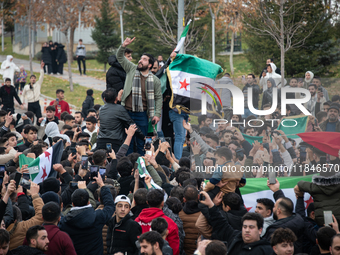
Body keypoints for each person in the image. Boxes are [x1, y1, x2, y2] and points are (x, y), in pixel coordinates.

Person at [116, 37, 162, 155]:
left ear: (150, 65)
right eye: (141, 58)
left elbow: (158, 97)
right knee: (128, 141)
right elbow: (119, 57)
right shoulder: (131, 68)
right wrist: (123, 46)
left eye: (144, 59)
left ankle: (141, 167)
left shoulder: (155, 80)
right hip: (126, 112)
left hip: (142, 114)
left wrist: (157, 114)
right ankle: (128, 167)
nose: (140, 61)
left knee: (142, 142)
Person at [199, 191, 273, 255]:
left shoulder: (266, 250)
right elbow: (220, 223)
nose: (247, 230)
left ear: (260, 230)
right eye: (245, 227)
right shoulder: (236, 238)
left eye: (251, 227)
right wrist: (211, 205)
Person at [59, 173, 115, 255]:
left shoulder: (64, 222)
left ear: (73, 204)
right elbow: (110, 206)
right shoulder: (98, 216)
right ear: (89, 202)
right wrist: (102, 185)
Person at [97, 88, 145, 152]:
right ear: (116, 98)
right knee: (114, 160)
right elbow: (130, 124)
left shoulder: (101, 109)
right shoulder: (120, 109)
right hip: (114, 142)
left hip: (101, 141)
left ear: (104, 99)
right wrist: (143, 137)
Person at [135, 189, 180, 255]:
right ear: (162, 203)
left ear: (147, 202)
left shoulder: (136, 221)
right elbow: (174, 250)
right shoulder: (170, 223)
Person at [178, 185, 201, 255]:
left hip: (184, 251)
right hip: (199, 251)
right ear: (198, 197)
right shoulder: (204, 214)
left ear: (184, 199)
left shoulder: (179, 214)